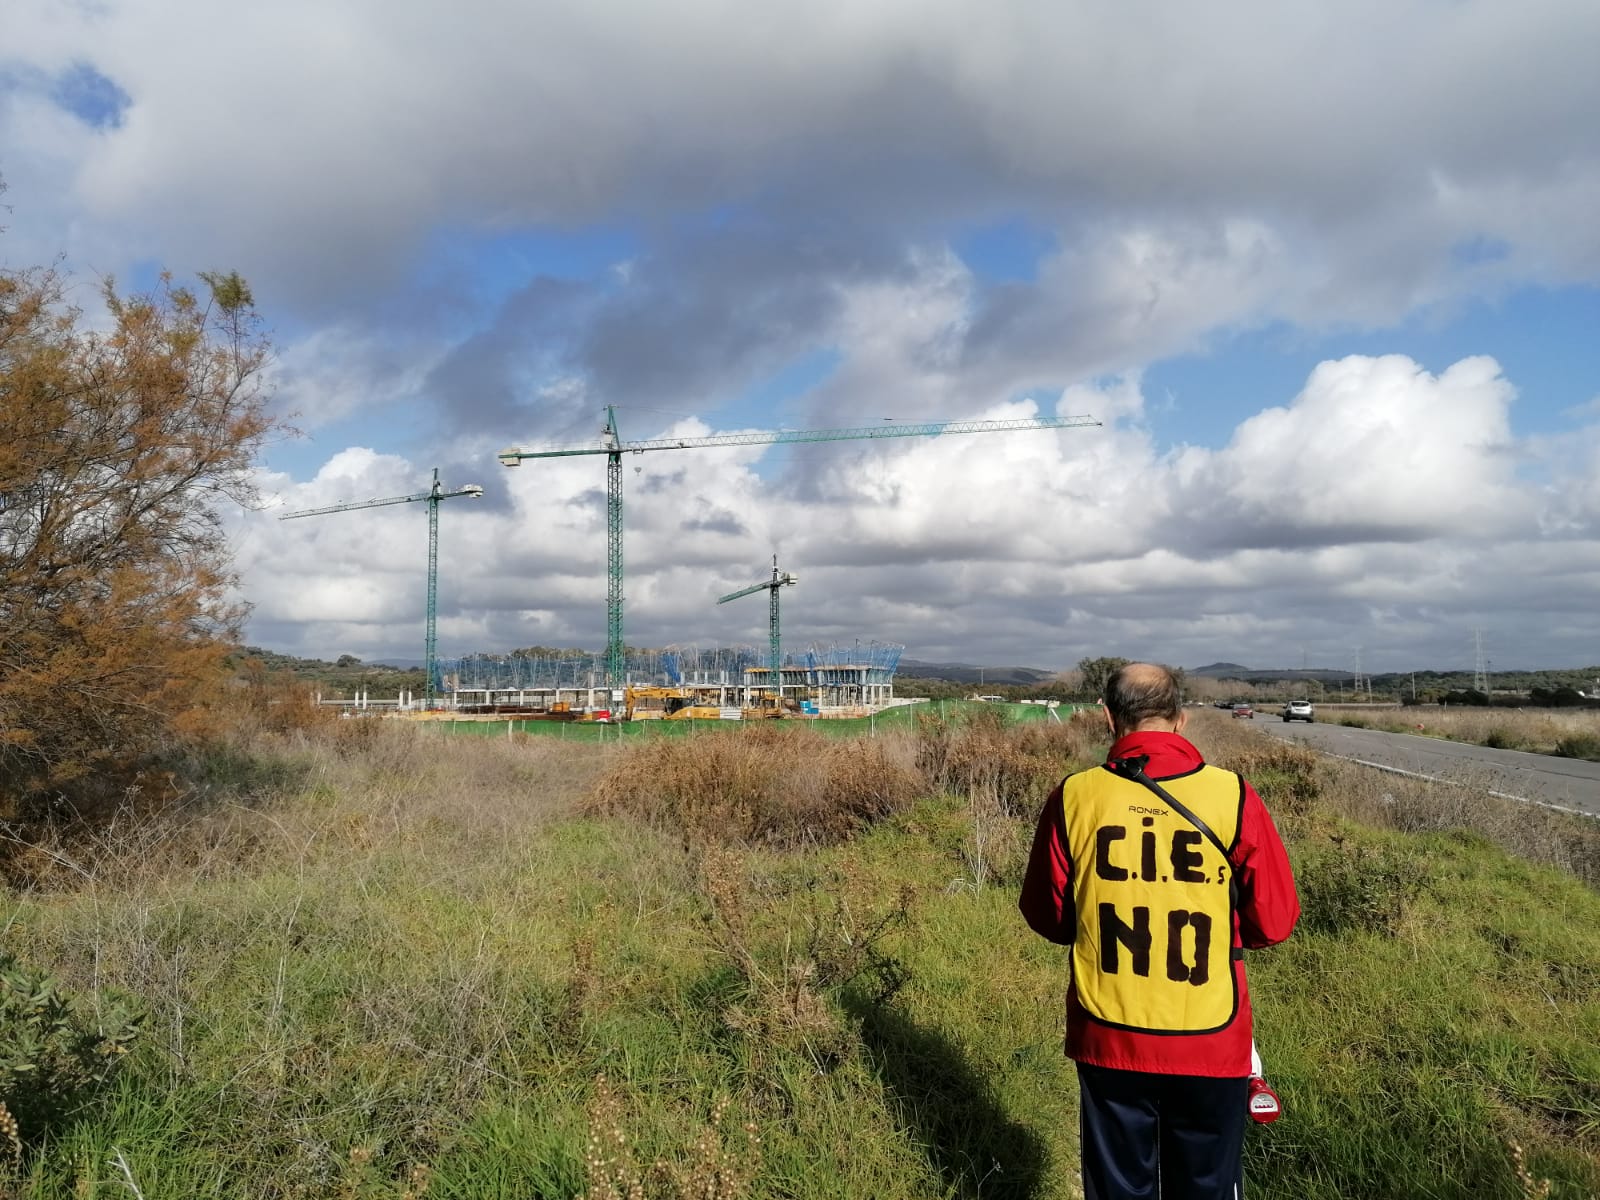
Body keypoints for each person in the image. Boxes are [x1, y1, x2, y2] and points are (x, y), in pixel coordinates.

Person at [1019, 663, 1299, 1200]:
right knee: (1207, 1185)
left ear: (1107, 719)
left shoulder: (1075, 796)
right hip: (1211, 1035)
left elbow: (1047, 916)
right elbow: (1275, 922)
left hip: (1109, 1030)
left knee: (1119, 1186)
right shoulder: (1233, 796)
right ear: (1181, 720)